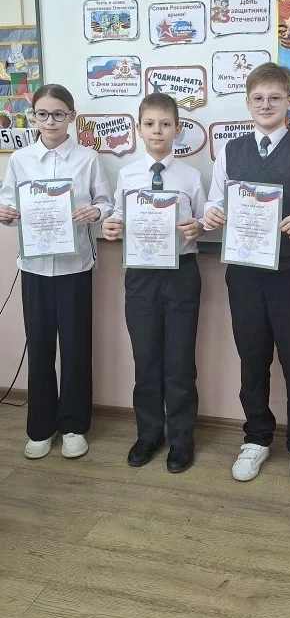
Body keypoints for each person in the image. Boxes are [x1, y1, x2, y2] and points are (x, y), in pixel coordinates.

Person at [203, 62, 290, 491]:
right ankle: (256, 437)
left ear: (289, 102)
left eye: (275, 98)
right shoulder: (231, 150)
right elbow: (213, 204)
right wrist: (212, 215)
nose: (266, 105)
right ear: (248, 103)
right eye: (258, 98)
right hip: (244, 273)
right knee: (252, 357)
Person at [0, 83, 112, 460]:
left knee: (77, 347)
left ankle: (74, 426)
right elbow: (8, 203)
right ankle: (40, 428)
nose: (50, 121)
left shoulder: (87, 159)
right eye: (43, 114)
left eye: (59, 114)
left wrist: (96, 212)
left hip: (75, 266)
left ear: (71, 117)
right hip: (34, 267)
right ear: (33, 117)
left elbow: (106, 203)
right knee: (40, 347)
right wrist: (5, 213)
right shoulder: (20, 160)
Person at [101, 93, 205, 473]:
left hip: (181, 273)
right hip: (141, 275)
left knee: (179, 362)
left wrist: (199, 227)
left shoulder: (191, 177)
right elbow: (117, 214)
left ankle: (181, 438)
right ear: (138, 129)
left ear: (177, 129)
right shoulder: (127, 175)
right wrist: (111, 225)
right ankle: (148, 434)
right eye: (149, 124)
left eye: (165, 124)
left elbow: (206, 220)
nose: (157, 131)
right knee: (145, 359)